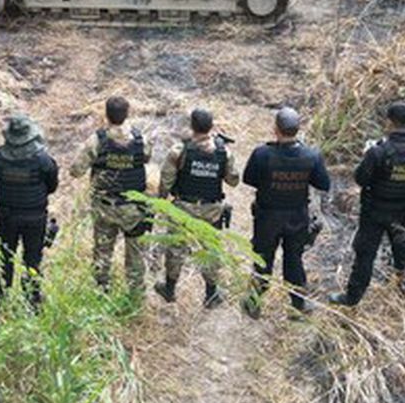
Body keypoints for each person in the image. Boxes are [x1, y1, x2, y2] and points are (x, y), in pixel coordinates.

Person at [330, 102, 405, 307]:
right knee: (404, 252)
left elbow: (361, 179)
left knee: (365, 255)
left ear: (389, 122)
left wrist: (367, 158)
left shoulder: (377, 152)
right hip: (404, 211)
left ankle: (352, 298)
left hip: (375, 211)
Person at [241, 107, 330, 317]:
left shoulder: (262, 154)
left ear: (275, 129)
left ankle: (253, 304)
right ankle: (298, 306)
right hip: (297, 218)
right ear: (297, 129)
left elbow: (248, 179)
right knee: (294, 260)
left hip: (267, 218)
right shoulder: (311, 155)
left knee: (262, 259)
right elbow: (323, 184)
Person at [156, 108, 240, 308]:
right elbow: (233, 181)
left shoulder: (180, 150)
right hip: (211, 210)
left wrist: (161, 201)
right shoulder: (223, 152)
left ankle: (169, 289)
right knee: (210, 250)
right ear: (211, 126)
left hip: (183, 209)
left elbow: (166, 181)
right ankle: (211, 295)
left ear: (191, 126)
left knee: (176, 248)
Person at [70, 96, 153, 295]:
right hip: (134, 209)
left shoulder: (97, 141)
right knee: (136, 255)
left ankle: (101, 292)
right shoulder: (141, 140)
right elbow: (147, 157)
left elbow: (75, 170)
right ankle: (135, 295)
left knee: (102, 253)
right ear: (127, 114)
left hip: (105, 208)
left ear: (106, 115)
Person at [0, 114, 60, 305]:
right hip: (35, 218)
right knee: (32, 260)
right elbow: (52, 187)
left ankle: (0, 301)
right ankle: (32, 302)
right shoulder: (44, 161)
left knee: (3, 257)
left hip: (6, 217)